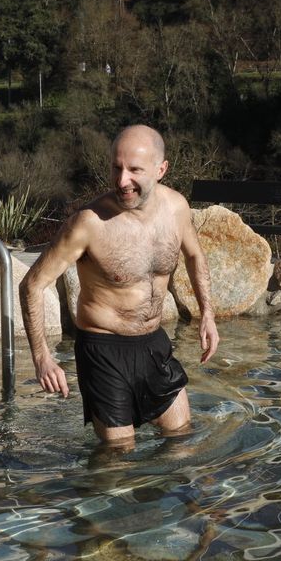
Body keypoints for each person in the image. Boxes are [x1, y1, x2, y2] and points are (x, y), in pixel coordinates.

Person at [19, 124, 219, 446]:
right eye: (116, 168)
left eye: (134, 170)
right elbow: (32, 284)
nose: (122, 180)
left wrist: (207, 314)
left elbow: (195, 255)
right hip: (103, 351)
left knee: (182, 439)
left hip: (154, 344)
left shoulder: (176, 208)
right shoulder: (90, 223)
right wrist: (42, 357)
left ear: (161, 169)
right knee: (118, 457)